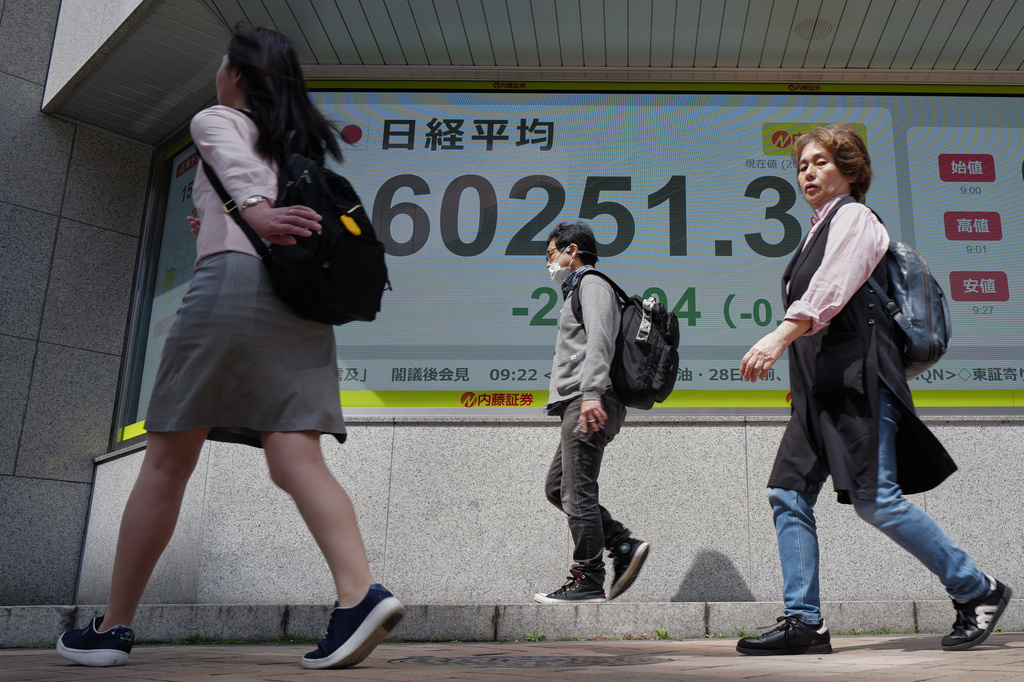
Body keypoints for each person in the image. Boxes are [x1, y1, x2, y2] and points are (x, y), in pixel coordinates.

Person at [56, 26, 404, 669]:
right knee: (294, 454)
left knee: (167, 461)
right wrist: (230, 217)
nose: (216, 74)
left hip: (234, 288)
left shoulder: (217, 119)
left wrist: (253, 209)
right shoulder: (293, 144)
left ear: (238, 74)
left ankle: (112, 627)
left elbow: (248, 190)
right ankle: (360, 594)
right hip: (301, 303)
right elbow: (262, 206)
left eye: (222, 63)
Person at [736, 124, 1010, 656]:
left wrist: (778, 337)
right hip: (819, 392)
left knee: (877, 501)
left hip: (859, 382)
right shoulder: (816, 230)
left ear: (850, 169)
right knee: (787, 492)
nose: (807, 172)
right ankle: (804, 623)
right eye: (801, 165)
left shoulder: (855, 218)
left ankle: (977, 589)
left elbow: (831, 288)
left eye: (820, 162)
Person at [534, 221, 650, 604]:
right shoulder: (578, 289)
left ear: (572, 251)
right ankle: (621, 542)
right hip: (583, 400)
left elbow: (600, 339)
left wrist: (591, 393)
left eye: (551, 255)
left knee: (576, 489)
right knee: (558, 488)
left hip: (590, 400)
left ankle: (587, 576)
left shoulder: (592, 283)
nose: (548, 264)